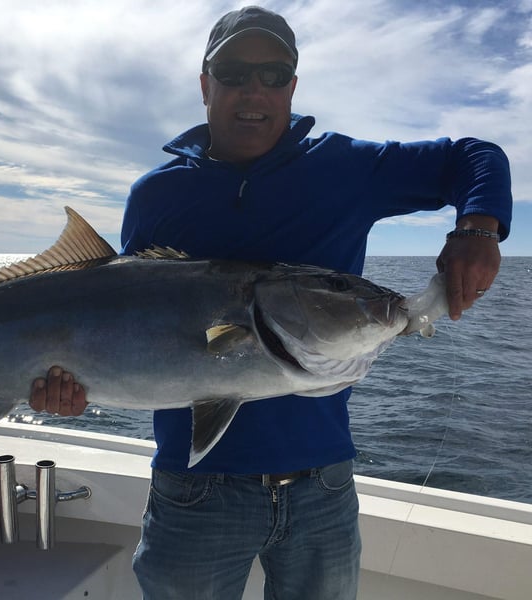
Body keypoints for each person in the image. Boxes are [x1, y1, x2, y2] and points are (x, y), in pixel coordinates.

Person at [29, 6, 512, 599]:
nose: (253, 88)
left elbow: (474, 155)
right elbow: (124, 318)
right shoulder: (157, 194)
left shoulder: (346, 169)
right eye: (233, 72)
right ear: (205, 85)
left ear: (293, 85)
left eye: (274, 72)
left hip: (323, 486)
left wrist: (479, 230)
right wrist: (75, 385)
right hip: (193, 488)